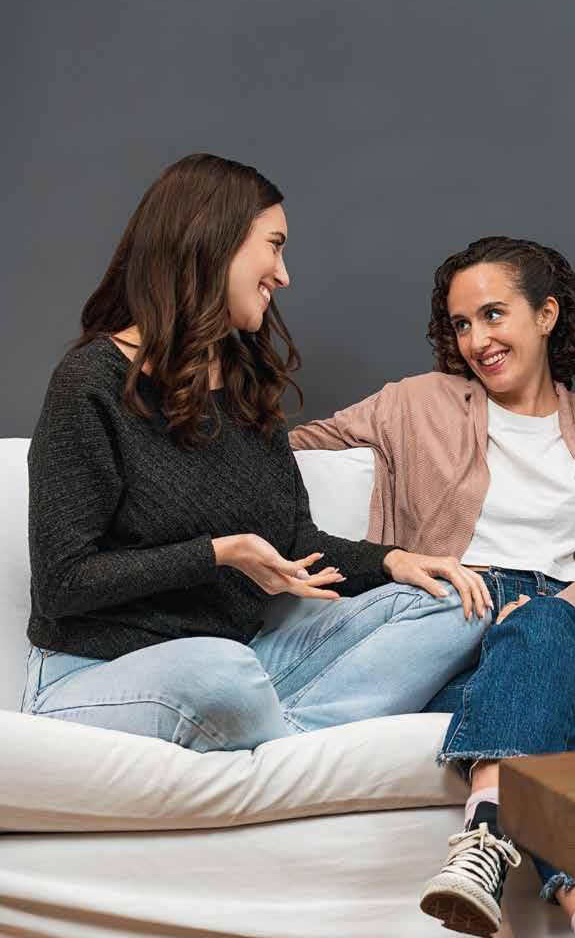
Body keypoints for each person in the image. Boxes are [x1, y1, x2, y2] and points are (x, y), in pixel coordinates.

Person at [290, 235, 575, 938]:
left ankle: (488, 836)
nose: (477, 339)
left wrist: (530, 612)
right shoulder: (413, 402)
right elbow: (279, 458)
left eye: (494, 314)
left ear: (547, 313)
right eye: (460, 323)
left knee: (533, 626)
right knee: (530, 708)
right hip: (452, 630)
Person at [23, 153, 490, 751]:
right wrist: (219, 553)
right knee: (222, 676)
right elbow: (64, 583)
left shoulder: (243, 380)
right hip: (105, 673)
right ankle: (284, 730)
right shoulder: (91, 381)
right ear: (213, 243)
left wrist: (397, 561)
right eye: (274, 245)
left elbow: (294, 542)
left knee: (454, 603)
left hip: (251, 662)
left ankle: (281, 739)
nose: (284, 273)